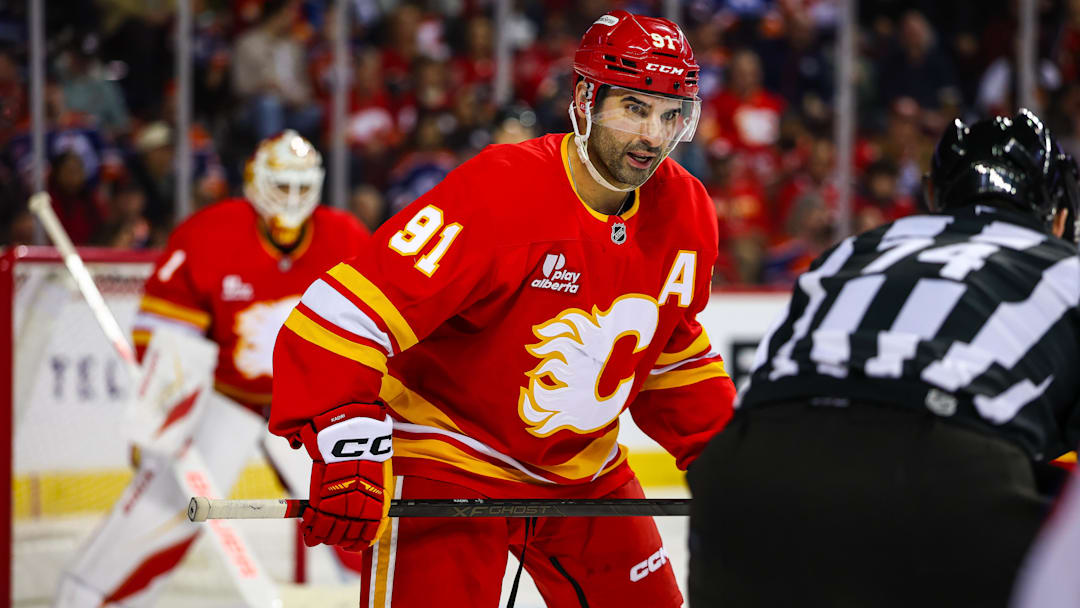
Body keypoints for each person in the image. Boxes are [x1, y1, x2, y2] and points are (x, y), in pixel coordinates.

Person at [269, 10, 736, 608]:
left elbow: (669, 347)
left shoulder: (687, 210)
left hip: (584, 474)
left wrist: (727, 454)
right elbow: (343, 315)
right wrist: (349, 441)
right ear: (586, 98)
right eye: (634, 108)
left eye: (671, 115)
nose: (653, 136)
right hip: (449, 459)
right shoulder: (499, 191)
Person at [687, 108, 1080, 608]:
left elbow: (773, 379)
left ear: (937, 194)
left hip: (744, 477)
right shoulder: (1066, 270)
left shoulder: (857, 250)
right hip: (943, 477)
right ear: (1060, 214)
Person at [53, 130, 370, 607]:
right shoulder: (209, 234)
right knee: (161, 512)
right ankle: (85, 599)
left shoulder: (346, 235)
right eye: (281, 185)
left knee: (360, 508)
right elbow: (166, 339)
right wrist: (164, 413)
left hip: (312, 409)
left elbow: (368, 333)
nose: (292, 198)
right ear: (253, 181)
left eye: (302, 185)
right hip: (227, 400)